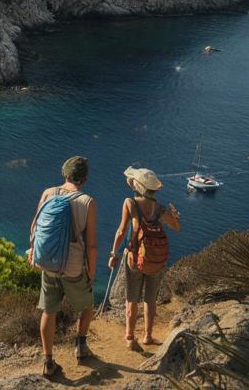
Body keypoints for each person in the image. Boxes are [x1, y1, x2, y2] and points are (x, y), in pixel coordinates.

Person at [28, 156, 98, 378]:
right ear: (85, 178)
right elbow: (92, 244)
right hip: (74, 267)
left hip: (48, 263)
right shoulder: (87, 202)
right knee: (86, 306)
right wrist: (93, 271)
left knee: (49, 311)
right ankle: (81, 346)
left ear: (64, 174)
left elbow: (34, 227)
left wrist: (33, 253)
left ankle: (48, 362)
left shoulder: (49, 193)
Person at [108, 167, 181, 351]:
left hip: (134, 258)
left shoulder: (130, 203)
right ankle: (147, 336)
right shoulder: (160, 208)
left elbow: (121, 231)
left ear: (138, 186)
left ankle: (130, 337)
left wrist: (113, 253)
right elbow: (176, 227)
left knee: (131, 299)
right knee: (150, 299)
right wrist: (174, 217)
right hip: (154, 260)